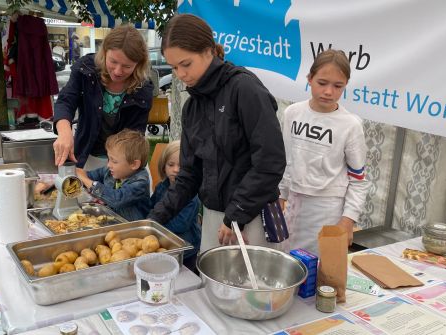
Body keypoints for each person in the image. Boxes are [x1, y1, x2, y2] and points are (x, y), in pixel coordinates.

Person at [148, 14, 285, 252]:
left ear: (208, 51)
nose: (180, 74)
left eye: (186, 64)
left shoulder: (245, 89)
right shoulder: (193, 106)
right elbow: (189, 175)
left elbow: (269, 163)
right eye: (174, 67)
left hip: (251, 217)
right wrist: (153, 220)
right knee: (212, 286)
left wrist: (236, 215)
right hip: (214, 217)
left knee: (250, 288)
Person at [278, 49, 370, 255]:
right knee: (287, 266)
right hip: (292, 206)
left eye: (338, 86)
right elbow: (285, 160)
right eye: (322, 83)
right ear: (309, 79)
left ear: (345, 86)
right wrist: (280, 195)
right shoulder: (292, 113)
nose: (329, 91)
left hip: (327, 211)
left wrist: (348, 220)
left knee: (319, 271)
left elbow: (358, 179)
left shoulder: (351, 125)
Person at [53, 25, 154, 170]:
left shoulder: (143, 89)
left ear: (138, 65)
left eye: (127, 66)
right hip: (87, 157)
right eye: (113, 61)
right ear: (104, 53)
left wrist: (115, 171)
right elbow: (66, 100)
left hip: (124, 163)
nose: (118, 71)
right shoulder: (85, 69)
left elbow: (134, 138)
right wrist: (64, 132)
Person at [76, 129, 151, 221]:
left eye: (114, 161)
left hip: (132, 228)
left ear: (134, 164)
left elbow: (117, 199)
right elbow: (89, 176)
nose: (109, 165)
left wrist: (88, 182)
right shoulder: (110, 171)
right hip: (113, 220)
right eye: (109, 159)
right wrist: (77, 175)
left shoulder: (140, 182)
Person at [150, 141, 201, 271]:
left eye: (181, 166)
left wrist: (154, 229)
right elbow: (151, 207)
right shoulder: (161, 187)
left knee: (186, 279)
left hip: (187, 247)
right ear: (163, 166)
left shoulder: (192, 196)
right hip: (166, 244)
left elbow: (181, 224)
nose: (176, 170)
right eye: (171, 165)